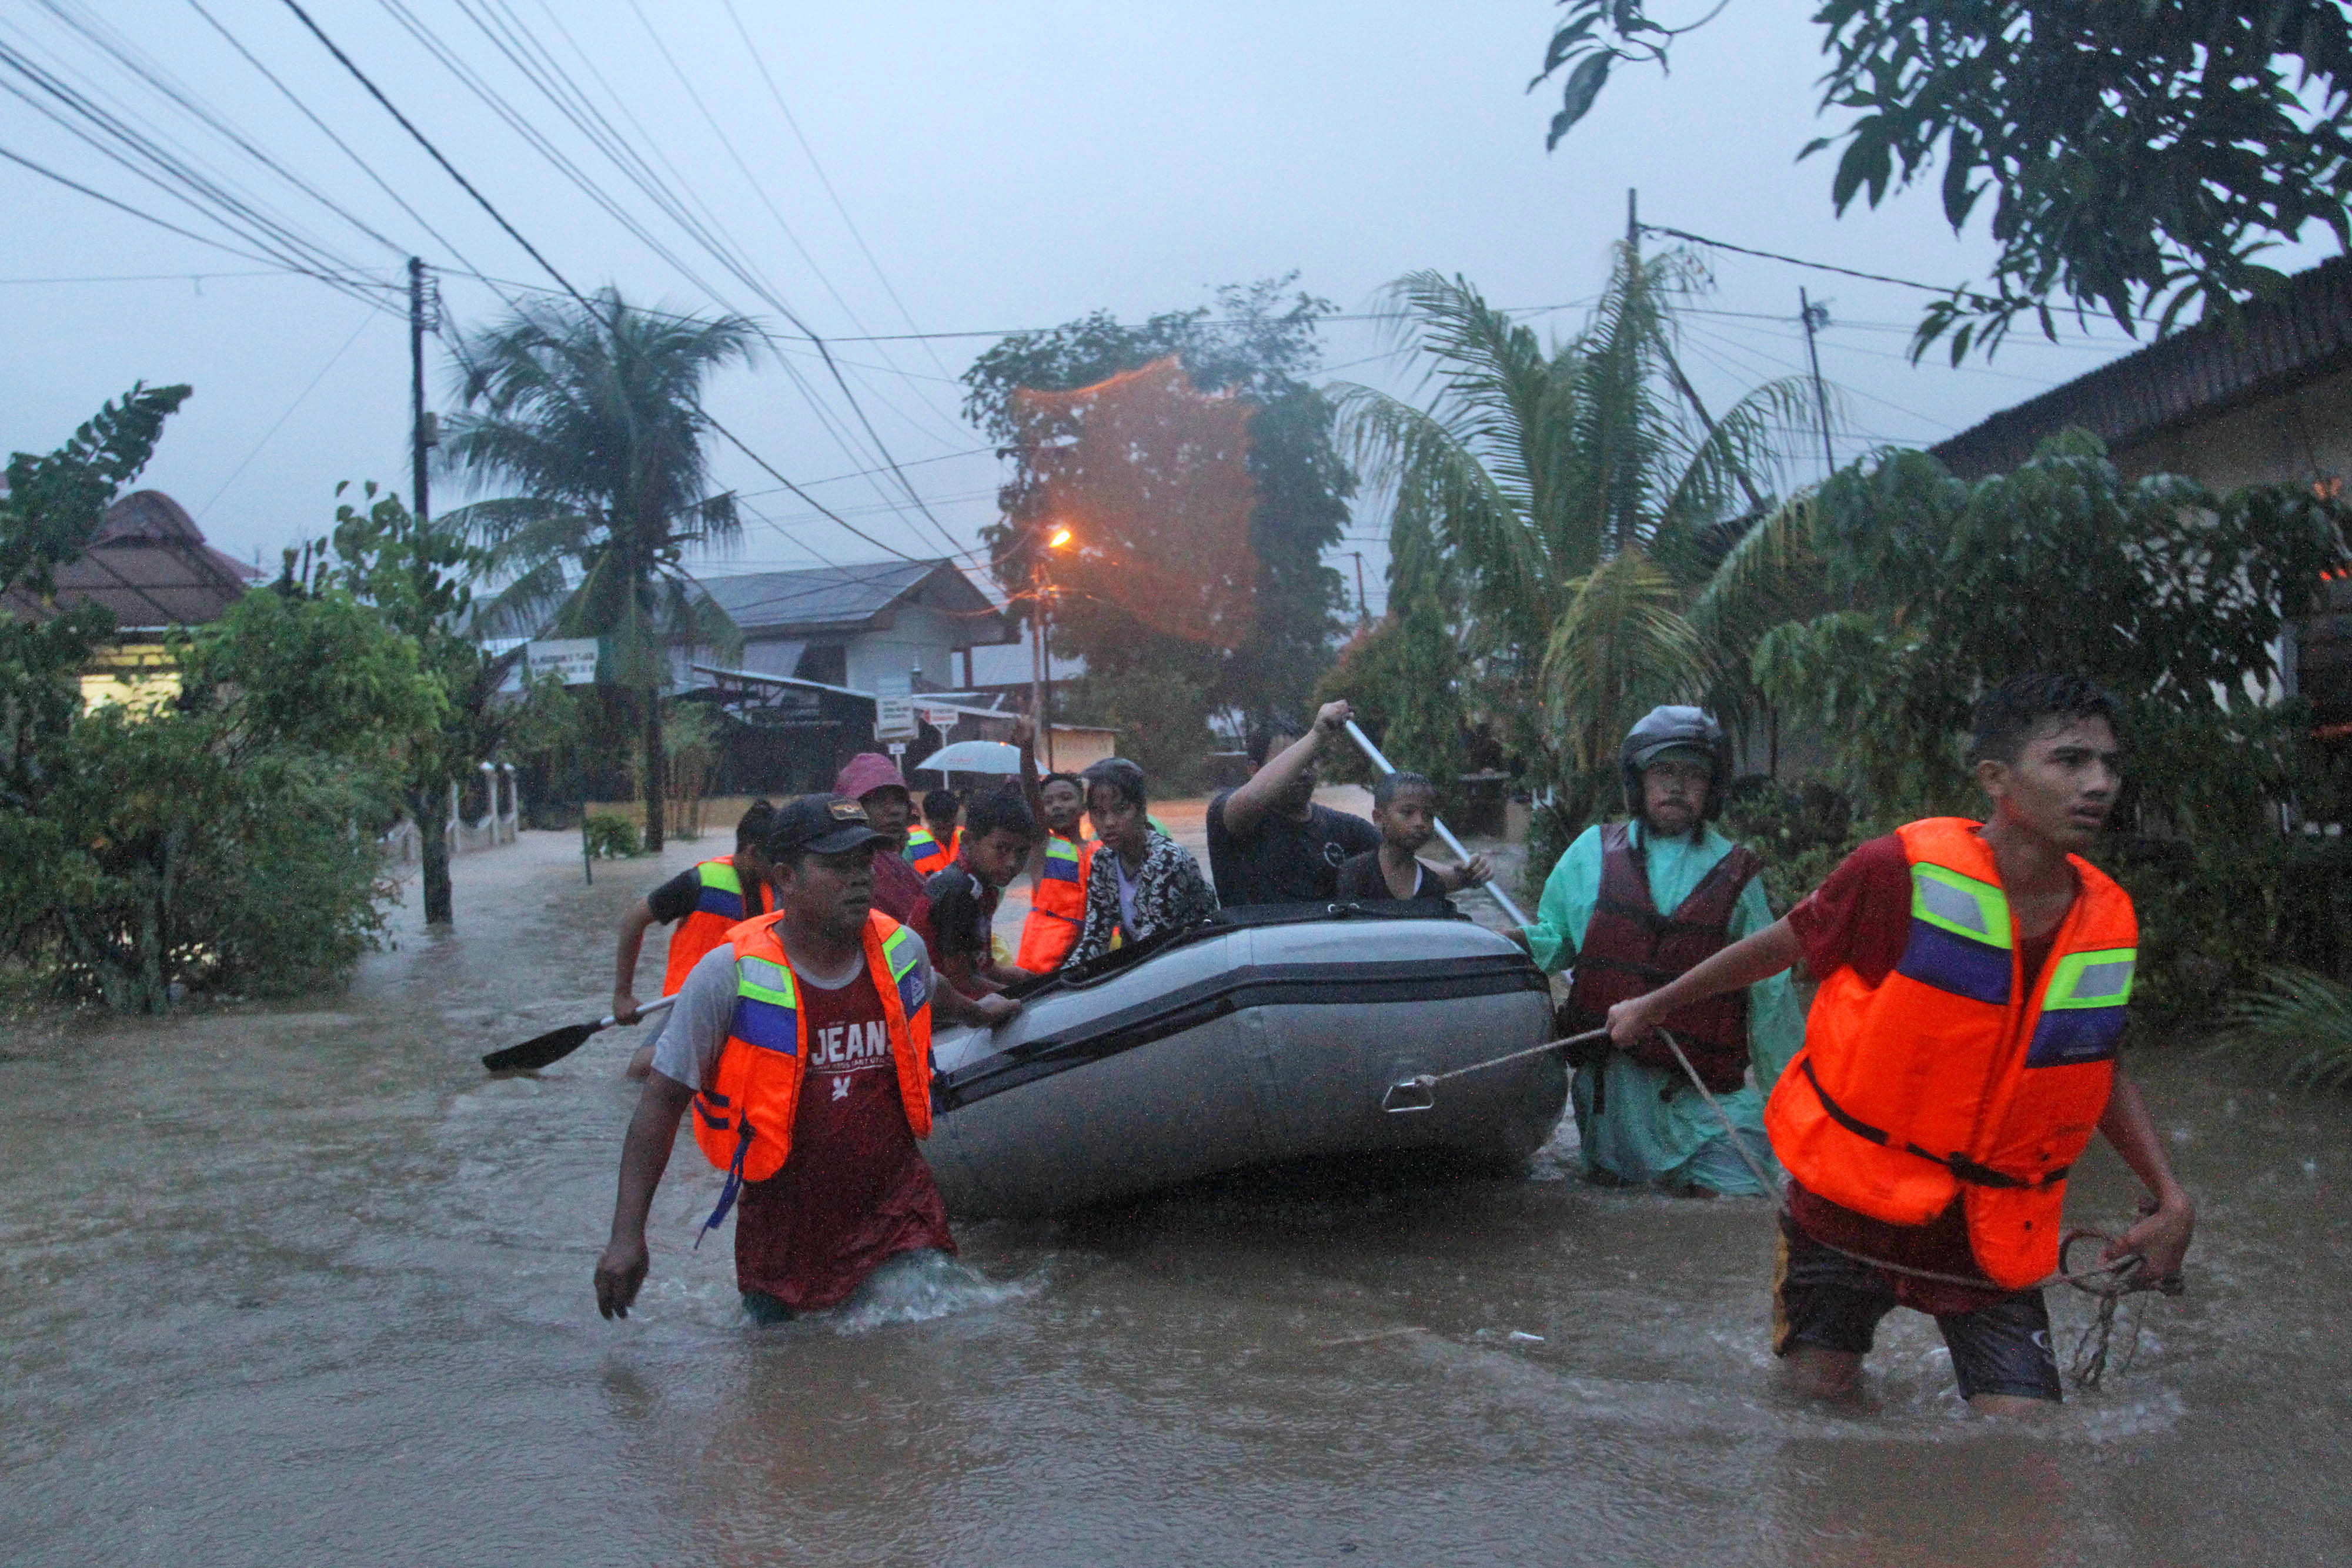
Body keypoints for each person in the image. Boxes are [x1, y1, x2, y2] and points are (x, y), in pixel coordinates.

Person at [1604, 676, 2196, 1412]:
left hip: (1986, 1229)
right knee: (1814, 1411)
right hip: (1849, 1208)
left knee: (2029, 1443)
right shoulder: (1898, 873)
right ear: (1995, 779)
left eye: (2108, 765)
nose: (2099, 784)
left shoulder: (2105, 919)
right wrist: (1654, 1007)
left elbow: (2093, 1063)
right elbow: (1782, 946)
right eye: (2069, 761)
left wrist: (2170, 1196)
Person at [593, 794, 1021, 1325]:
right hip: (785, 1238)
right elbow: (660, 1104)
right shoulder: (728, 976)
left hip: (897, 1212)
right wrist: (626, 1235)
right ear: (786, 878)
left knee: (936, 1336)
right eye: (837, 866)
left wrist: (981, 1013)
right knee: (783, 1369)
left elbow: (931, 988)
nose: (860, 879)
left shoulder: (902, 949)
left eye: (865, 862)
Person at [1522, 707, 1805, 1196]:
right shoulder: (1589, 854)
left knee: (1747, 1196)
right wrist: (1502, 943)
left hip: (1704, 1102)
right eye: (1665, 771)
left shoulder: (1737, 874)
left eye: (1694, 774)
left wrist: (1799, 1112)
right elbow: (1549, 945)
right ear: (1639, 780)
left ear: (1711, 789)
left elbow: (1772, 996)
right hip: (1614, 1104)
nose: (1678, 786)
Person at [611, 800, 777, 1081]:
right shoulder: (697, 883)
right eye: (777, 859)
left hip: (746, 1002)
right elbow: (632, 920)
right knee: (640, 1072)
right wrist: (622, 996)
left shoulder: (777, 890)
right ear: (752, 854)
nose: (784, 868)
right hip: (691, 1002)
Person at [1206, 700, 1380, 906]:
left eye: (1309, 760)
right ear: (1254, 770)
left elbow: (1404, 863)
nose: (1304, 771)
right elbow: (1249, 800)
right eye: (1293, 763)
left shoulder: (1346, 828)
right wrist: (1317, 736)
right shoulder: (1230, 815)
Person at [1064, 757, 1217, 966]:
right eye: (1099, 813)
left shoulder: (1167, 860)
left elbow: (1152, 943)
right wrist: (1061, 981)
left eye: (1120, 810)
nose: (1108, 823)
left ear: (1141, 810)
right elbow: (1096, 937)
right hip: (1148, 964)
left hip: (1195, 964)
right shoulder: (1103, 860)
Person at [923, 784, 1039, 995]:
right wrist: (1021, 995)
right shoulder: (960, 890)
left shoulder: (984, 886)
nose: (1013, 863)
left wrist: (1014, 977)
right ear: (968, 841)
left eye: (1022, 852)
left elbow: (980, 966)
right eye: (1001, 849)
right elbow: (960, 982)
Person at [833, 753, 937, 959]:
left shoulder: (891, 858)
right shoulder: (858, 864)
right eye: (880, 801)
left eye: (900, 801)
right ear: (854, 807)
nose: (895, 811)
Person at [1334, 772, 1494, 903]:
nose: (1420, 823)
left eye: (1429, 815)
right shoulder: (1355, 874)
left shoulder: (1431, 883)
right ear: (1379, 818)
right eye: (1407, 813)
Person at [904, 788, 961, 878]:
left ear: (956, 817)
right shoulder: (909, 841)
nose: (945, 833)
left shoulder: (967, 838)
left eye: (950, 825)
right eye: (939, 828)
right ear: (926, 818)